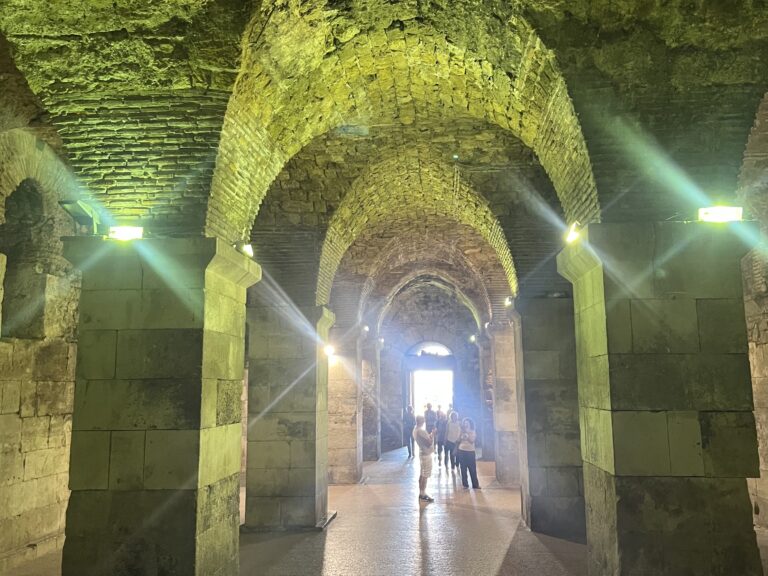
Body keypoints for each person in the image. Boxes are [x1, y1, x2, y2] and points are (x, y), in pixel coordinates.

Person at [413, 415, 435, 502]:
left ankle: (421, 493)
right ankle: (423, 494)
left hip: (422, 453)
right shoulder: (421, 431)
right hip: (426, 454)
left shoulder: (415, 429)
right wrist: (433, 435)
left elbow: (425, 439)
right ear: (422, 421)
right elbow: (429, 443)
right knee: (425, 475)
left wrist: (429, 436)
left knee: (422, 474)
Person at [456, 417, 480, 489]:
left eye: (467, 423)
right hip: (462, 450)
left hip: (470, 451)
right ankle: (465, 485)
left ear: (470, 424)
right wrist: (461, 434)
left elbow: (472, 441)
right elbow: (458, 440)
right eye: (464, 423)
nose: (465, 424)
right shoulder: (461, 431)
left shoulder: (472, 431)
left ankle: (475, 485)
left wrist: (467, 434)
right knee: (463, 468)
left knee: (472, 468)